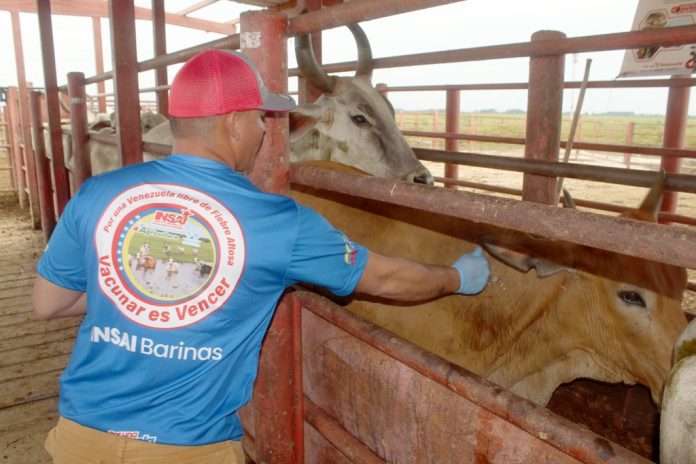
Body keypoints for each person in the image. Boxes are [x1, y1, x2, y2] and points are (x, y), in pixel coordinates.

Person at [32, 49, 490, 464]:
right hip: (191, 450)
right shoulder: (280, 222)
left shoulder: (99, 192)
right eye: (260, 119)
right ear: (234, 122)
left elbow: (47, 303)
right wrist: (456, 277)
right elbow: (387, 279)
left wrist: (142, 296)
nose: (265, 132)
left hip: (79, 438)